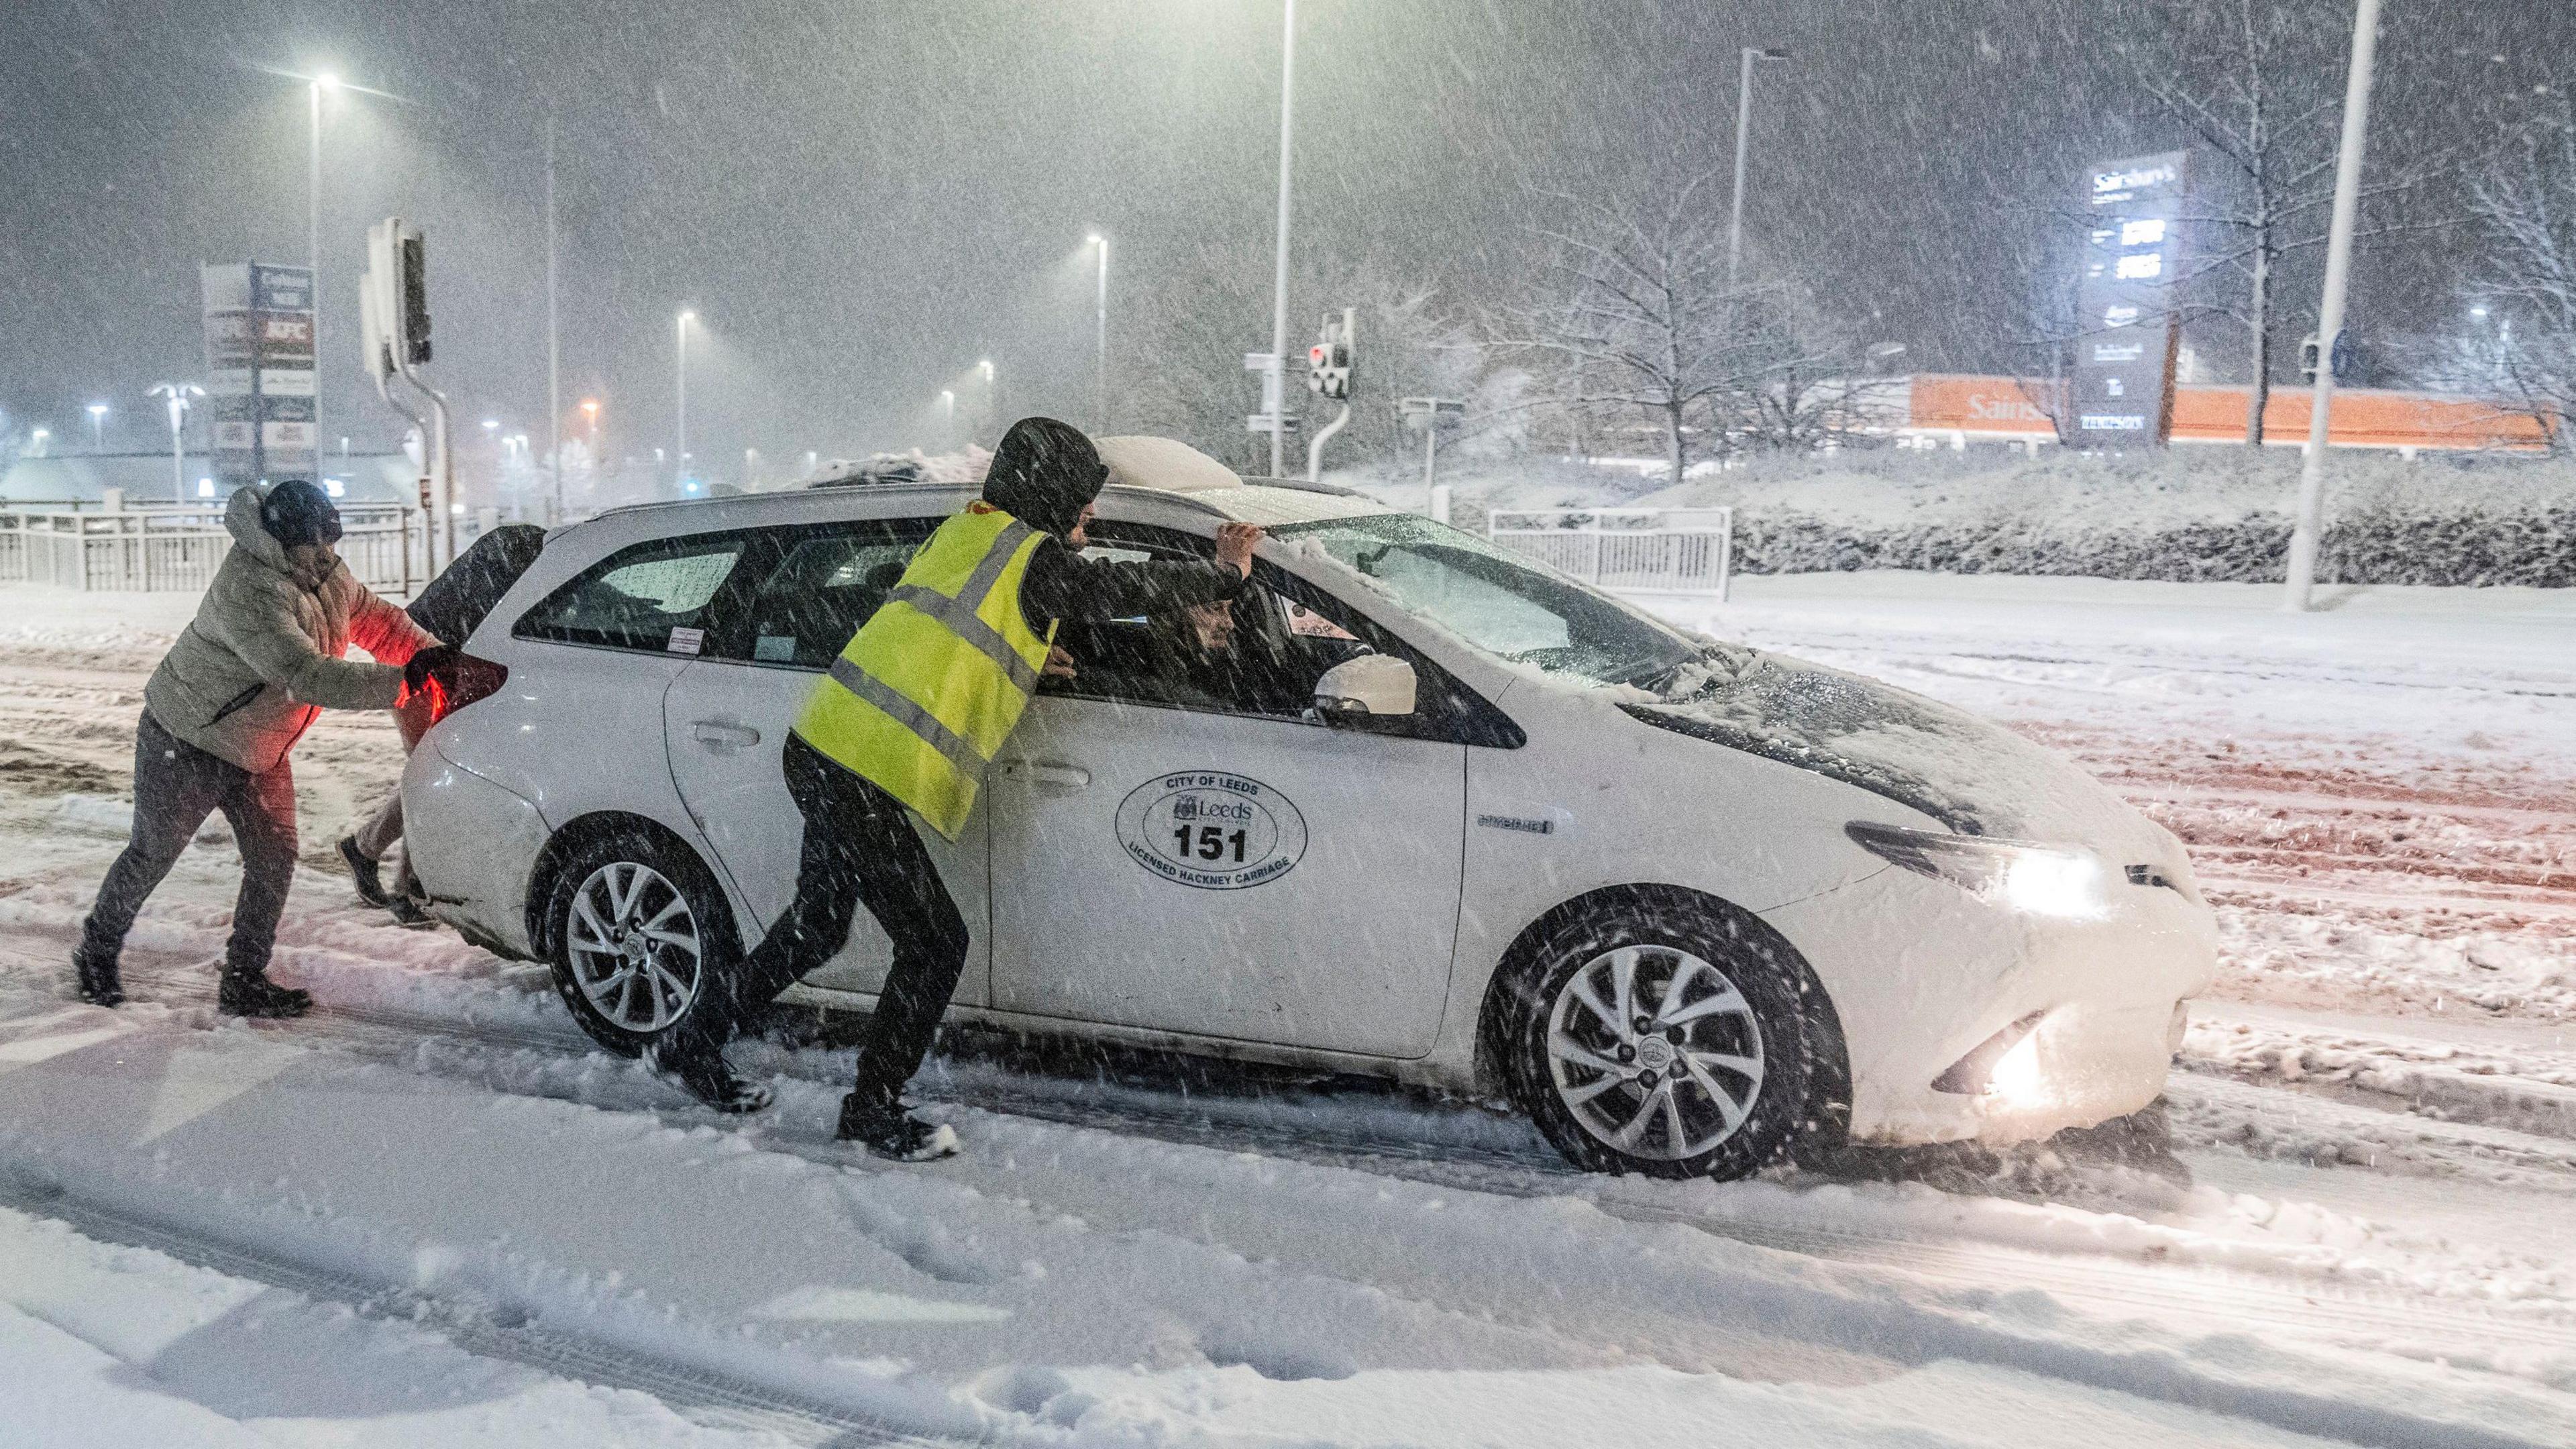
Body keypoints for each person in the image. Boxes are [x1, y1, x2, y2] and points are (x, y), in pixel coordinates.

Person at [651, 417, 1263, 1160]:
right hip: (859, 769)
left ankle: (692, 1043)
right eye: (1085, 500)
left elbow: (959, 634)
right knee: (936, 944)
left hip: (826, 746)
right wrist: (1224, 573)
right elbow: (1115, 586)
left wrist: (1033, 656)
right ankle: (872, 1109)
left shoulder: (974, 531)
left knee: (818, 926)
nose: (1091, 515)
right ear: (1053, 494)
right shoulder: (1034, 558)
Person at [74, 480, 449, 1016]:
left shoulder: (327, 576)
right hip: (188, 739)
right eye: (313, 542)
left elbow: (381, 622)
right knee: (153, 853)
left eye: (331, 539)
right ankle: (97, 951)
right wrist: (407, 682)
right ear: (281, 539)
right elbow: (304, 673)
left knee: (273, 859)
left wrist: (437, 657)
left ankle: (244, 980)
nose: (326, 553)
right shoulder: (249, 587)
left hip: (260, 749)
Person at [338, 523, 549, 924]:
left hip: (419, 658)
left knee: (431, 773)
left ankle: (367, 851)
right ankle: (405, 886)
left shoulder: (510, 547)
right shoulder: (530, 562)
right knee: (432, 776)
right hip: (423, 667)